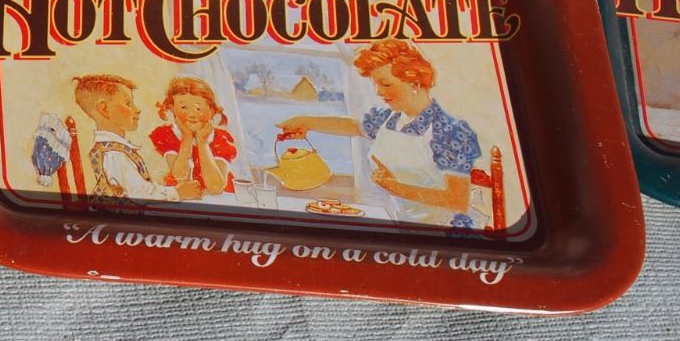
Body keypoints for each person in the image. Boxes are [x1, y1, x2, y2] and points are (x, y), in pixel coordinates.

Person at [281, 41, 480, 227]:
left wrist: (397, 188)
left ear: (415, 83)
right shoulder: (388, 118)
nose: (378, 92)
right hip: (403, 222)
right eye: (375, 84)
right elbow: (352, 126)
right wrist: (305, 122)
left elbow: (457, 200)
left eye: (386, 84)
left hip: (446, 229)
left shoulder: (450, 131)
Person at [31, 73, 158, 201]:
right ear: (104, 109)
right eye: (128, 103)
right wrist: (171, 191)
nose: (137, 109)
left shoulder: (112, 149)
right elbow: (144, 195)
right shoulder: (113, 154)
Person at [149, 77, 236, 200]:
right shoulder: (167, 135)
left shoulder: (220, 138)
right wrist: (187, 137)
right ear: (172, 108)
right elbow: (180, 177)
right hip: (183, 198)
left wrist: (202, 142)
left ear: (211, 110)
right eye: (183, 107)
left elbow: (215, 187)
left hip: (217, 201)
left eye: (198, 108)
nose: (192, 114)